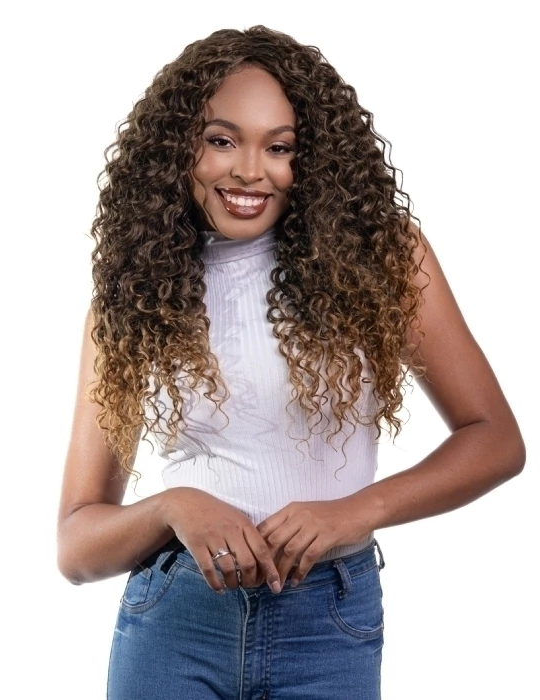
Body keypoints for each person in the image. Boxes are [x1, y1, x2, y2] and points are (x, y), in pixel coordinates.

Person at [57, 25, 525, 700]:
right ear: (177, 146)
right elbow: (76, 547)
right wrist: (173, 507)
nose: (251, 171)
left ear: (315, 160)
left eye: (280, 148)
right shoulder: (137, 298)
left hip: (327, 625)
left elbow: (496, 440)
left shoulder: (380, 259)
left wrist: (353, 512)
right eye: (222, 140)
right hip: (175, 622)